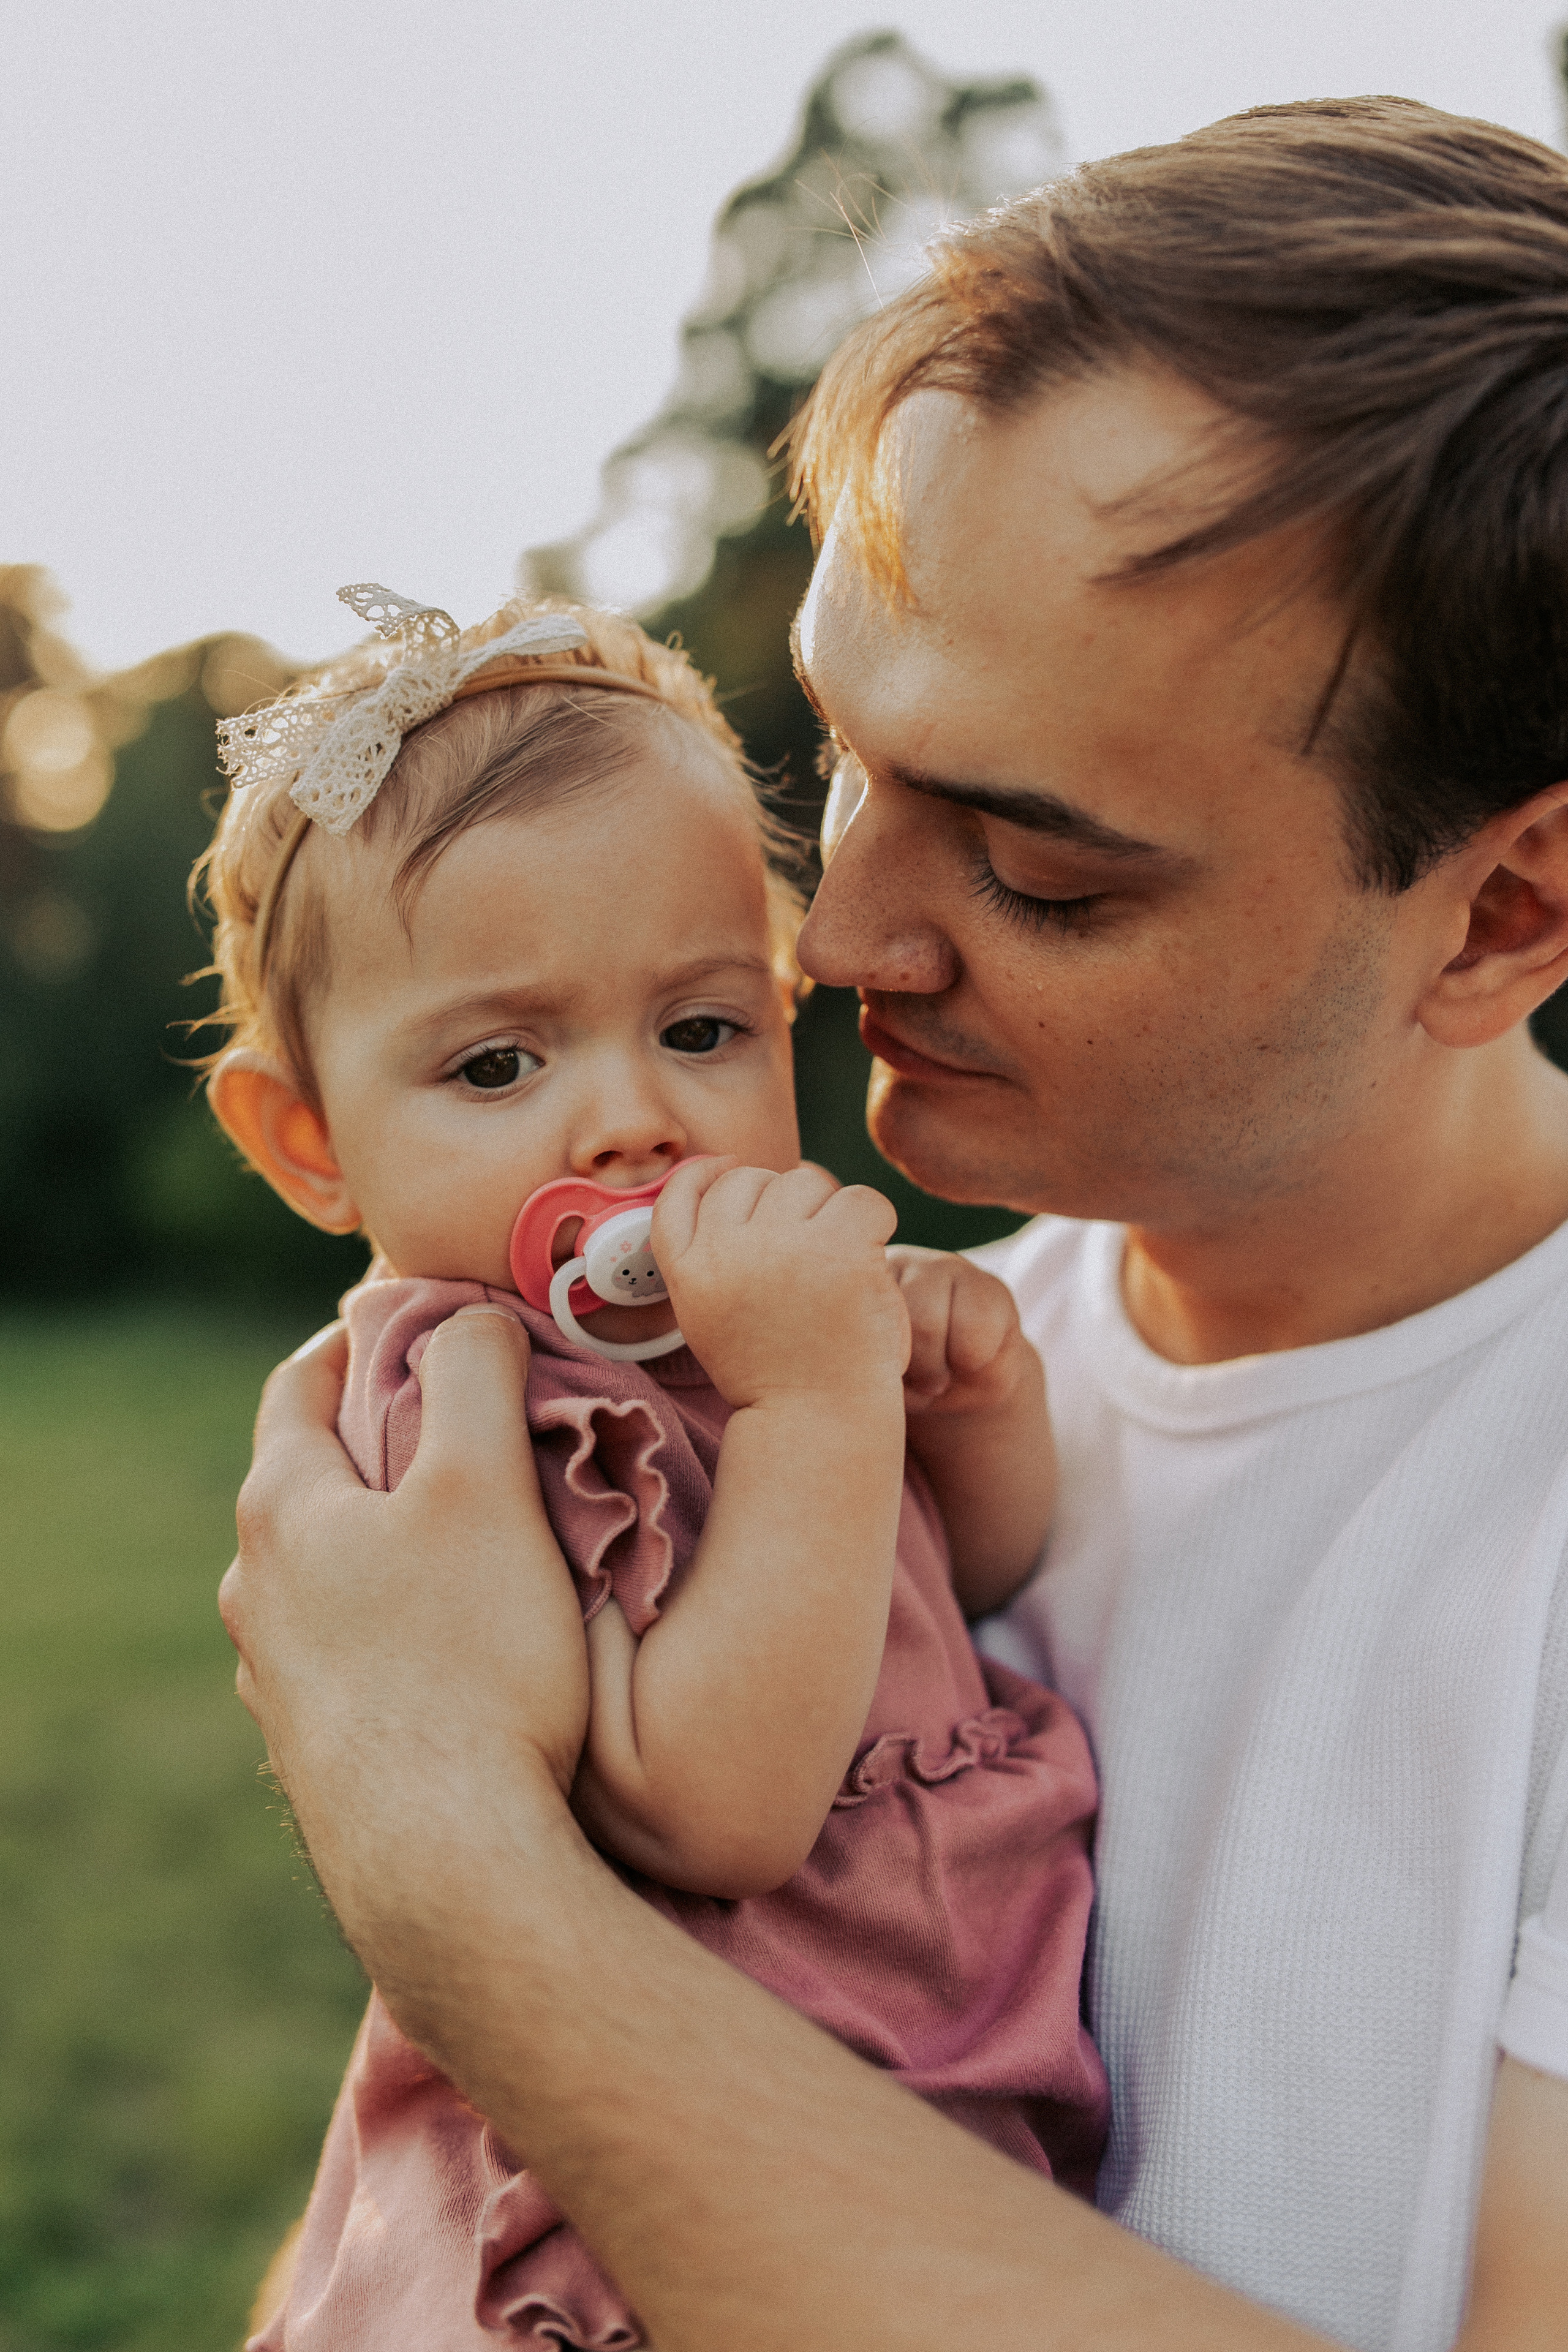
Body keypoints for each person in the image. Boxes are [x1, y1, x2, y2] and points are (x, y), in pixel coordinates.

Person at [219, 97, 1568, 2351]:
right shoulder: (927, 1353)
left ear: (1510, 904)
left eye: (1041, 872)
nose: (829, 941)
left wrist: (456, 1872)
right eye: (840, 759)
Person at [198, 588, 1107, 2346]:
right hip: (655, 2218)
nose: (632, 1118)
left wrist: (965, 1418)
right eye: (497, 1061)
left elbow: (941, 1606)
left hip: (900, 2110)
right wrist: (821, 1411)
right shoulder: (468, 1406)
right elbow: (719, 1805)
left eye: (701, 1029)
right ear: (310, 1138)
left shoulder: (747, 1332)